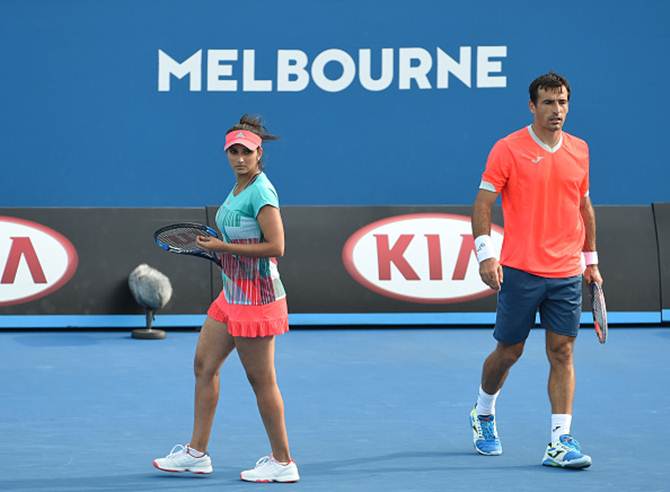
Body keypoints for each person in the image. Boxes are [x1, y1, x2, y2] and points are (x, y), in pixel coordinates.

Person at [153, 114, 299, 483]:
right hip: (231, 293)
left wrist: (223, 246)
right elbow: (241, 242)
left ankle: (283, 461)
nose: (239, 158)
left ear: (258, 153)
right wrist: (222, 252)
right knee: (204, 366)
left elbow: (276, 246)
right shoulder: (236, 188)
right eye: (233, 151)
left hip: (257, 298)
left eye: (246, 152)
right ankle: (196, 454)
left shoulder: (262, 192)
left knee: (261, 380)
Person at [469, 72, 602, 469]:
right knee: (509, 351)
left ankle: (560, 442)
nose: (556, 110)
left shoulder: (580, 150)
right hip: (521, 269)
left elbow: (584, 207)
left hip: (565, 270)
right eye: (548, 102)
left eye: (562, 102)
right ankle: (483, 411)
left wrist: (591, 262)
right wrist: (485, 254)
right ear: (532, 106)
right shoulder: (507, 149)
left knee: (562, 352)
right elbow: (481, 204)